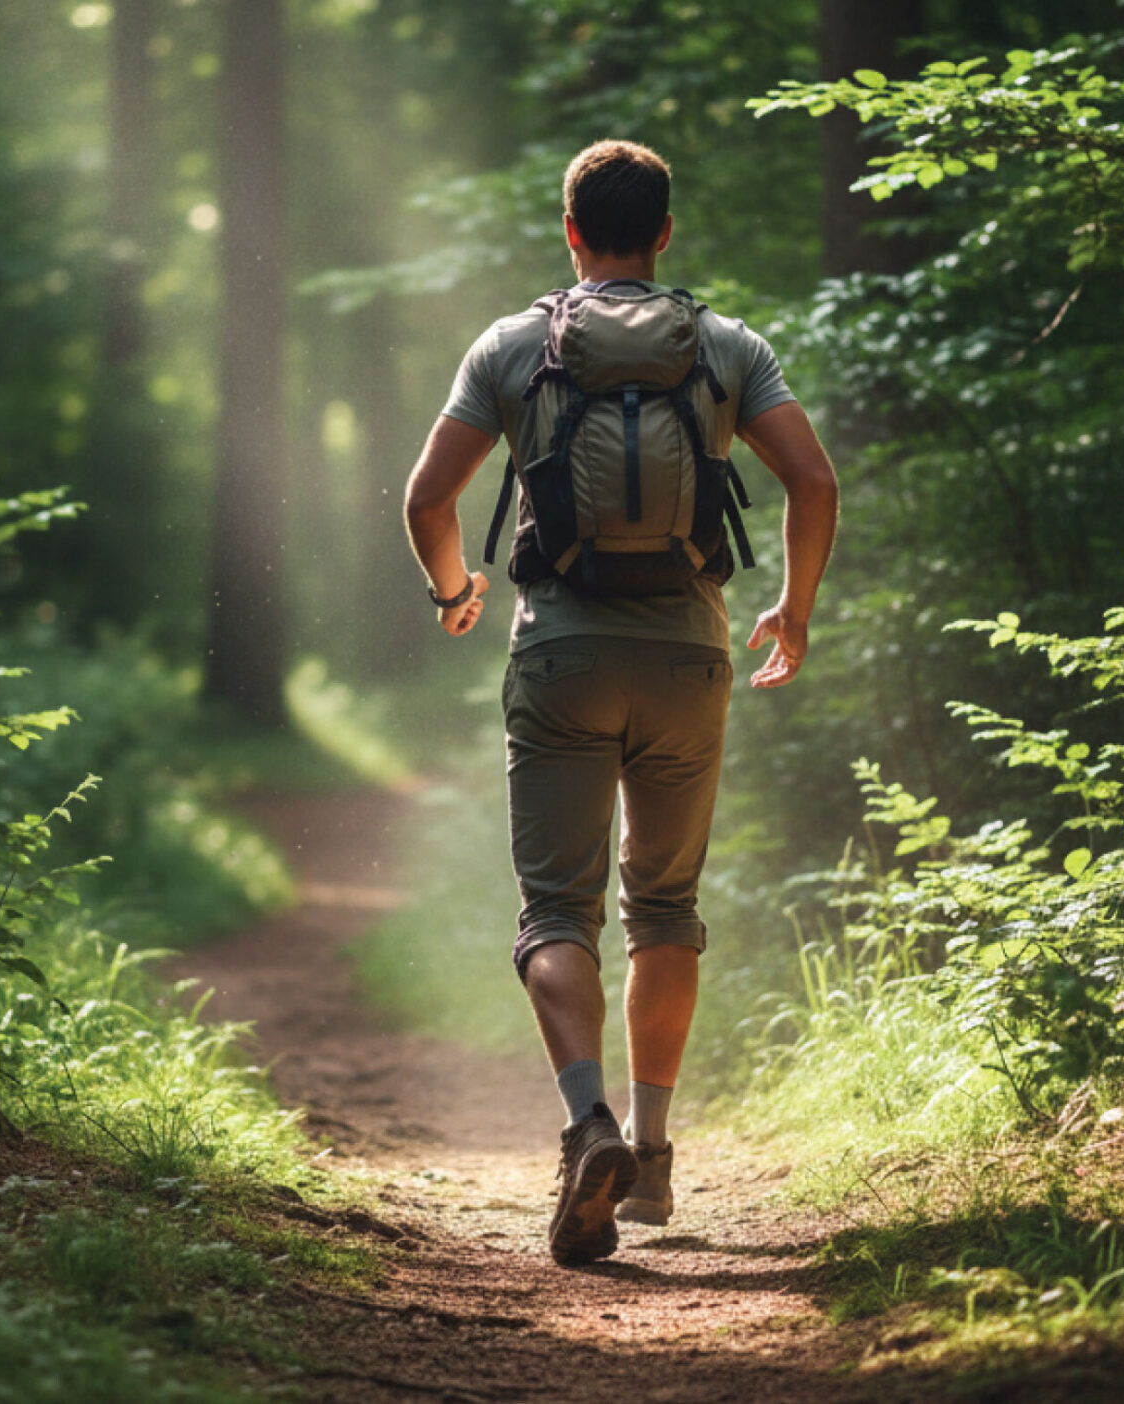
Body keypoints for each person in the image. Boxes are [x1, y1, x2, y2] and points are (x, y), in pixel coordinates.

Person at [402, 139, 839, 1266]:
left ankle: (585, 1119)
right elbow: (814, 481)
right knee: (666, 908)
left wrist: (455, 590)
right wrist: (791, 611)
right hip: (689, 658)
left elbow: (427, 497)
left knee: (557, 912)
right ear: (665, 234)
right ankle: (649, 1156)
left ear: (571, 233)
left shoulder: (512, 346)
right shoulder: (727, 346)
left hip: (561, 654)